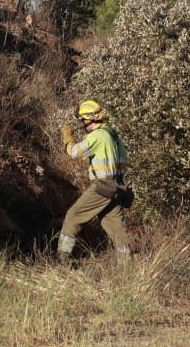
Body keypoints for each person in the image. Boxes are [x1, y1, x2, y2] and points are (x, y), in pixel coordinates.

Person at [57, 99, 131, 260]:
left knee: (72, 217)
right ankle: (128, 266)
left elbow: (74, 152)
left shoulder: (97, 136)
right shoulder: (113, 135)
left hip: (103, 186)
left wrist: (68, 137)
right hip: (118, 187)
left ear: (92, 118)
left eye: (84, 119)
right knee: (115, 227)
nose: (83, 123)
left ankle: (62, 260)